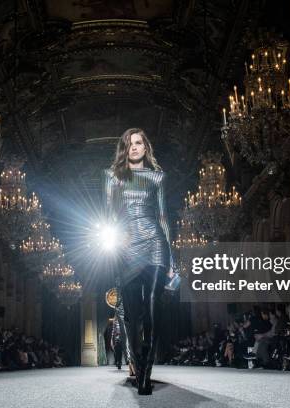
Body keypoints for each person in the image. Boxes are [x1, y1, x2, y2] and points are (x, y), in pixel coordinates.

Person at [104, 128, 175, 395]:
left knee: (154, 312)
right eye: (128, 144)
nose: (134, 147)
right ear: (124, 149)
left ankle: (147, 372)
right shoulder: (112, 177)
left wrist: (173, 260)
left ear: (146, 147)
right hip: (127, 247)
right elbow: (110, 217)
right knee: (133, 316)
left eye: (138, 142)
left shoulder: (158, 176)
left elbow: (163, 217)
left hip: (156, 244)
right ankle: (137, 364)